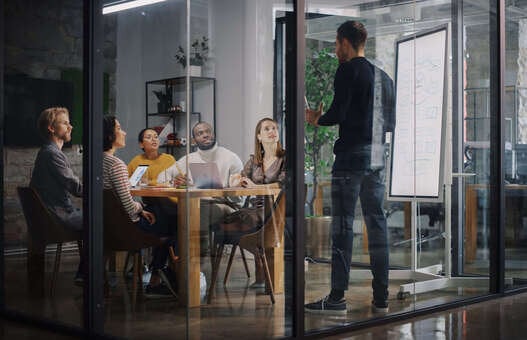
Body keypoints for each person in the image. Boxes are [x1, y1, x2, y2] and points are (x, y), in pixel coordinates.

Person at [304, 21, 395, 315]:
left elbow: (338, 113)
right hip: (377, 158)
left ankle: (336, 298)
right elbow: (390, 123)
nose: (335, 49)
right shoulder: (383, 77)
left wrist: (316, 118)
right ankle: (381, 297)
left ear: (344, 42)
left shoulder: (347, 70)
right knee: (377, 225)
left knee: (343, 227)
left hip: (350, 160)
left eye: (336, 43)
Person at [103, 115, 177, 297]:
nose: (124, 132)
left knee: (163, 216)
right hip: (129, 227)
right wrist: (140, 209)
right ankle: (160, 276)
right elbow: (128, 204)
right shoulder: (116, 164)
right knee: (176, 224)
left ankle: (157, 273)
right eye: (119, 128)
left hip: (110, 226)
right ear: (109, 136)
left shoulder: (96, 162)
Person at [157, 121, 244, 253]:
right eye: (200, 133)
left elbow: (241, 196)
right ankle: (177, 261)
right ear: (193, 140)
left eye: (208, 131)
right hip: (197, 205)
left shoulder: (230, 157)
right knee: (173, 211)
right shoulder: (189, 159)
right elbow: (161, 177)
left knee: (195, 211)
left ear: (213, 134)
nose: (205, 135)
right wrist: (174, 181)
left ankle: (196, 258)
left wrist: (225, 189)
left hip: (228, 206)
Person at [219, 117, 286, 288]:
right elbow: (241, 176)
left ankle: (262, 264)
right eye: (267, 129)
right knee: (228, 220)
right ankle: (260, 260)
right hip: (257, 209)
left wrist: (255, 186)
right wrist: (237, 181)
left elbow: (282, 184)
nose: (272, 132)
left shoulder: (285, 158)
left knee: (241, 220)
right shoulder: (254, 161)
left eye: (274, 128)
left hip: (277, 209)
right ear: (258, 136)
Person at [30, 107, 84, 284]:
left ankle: (86, 273)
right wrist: (99, 189)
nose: (71, 127)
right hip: (59, 217)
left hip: (54, 214)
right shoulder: (52, 154)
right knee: (104, 221)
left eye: (69, 123)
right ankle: (89, 275)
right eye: (65, 123)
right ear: (51, 128)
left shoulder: (48, 152)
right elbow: (75, 188)